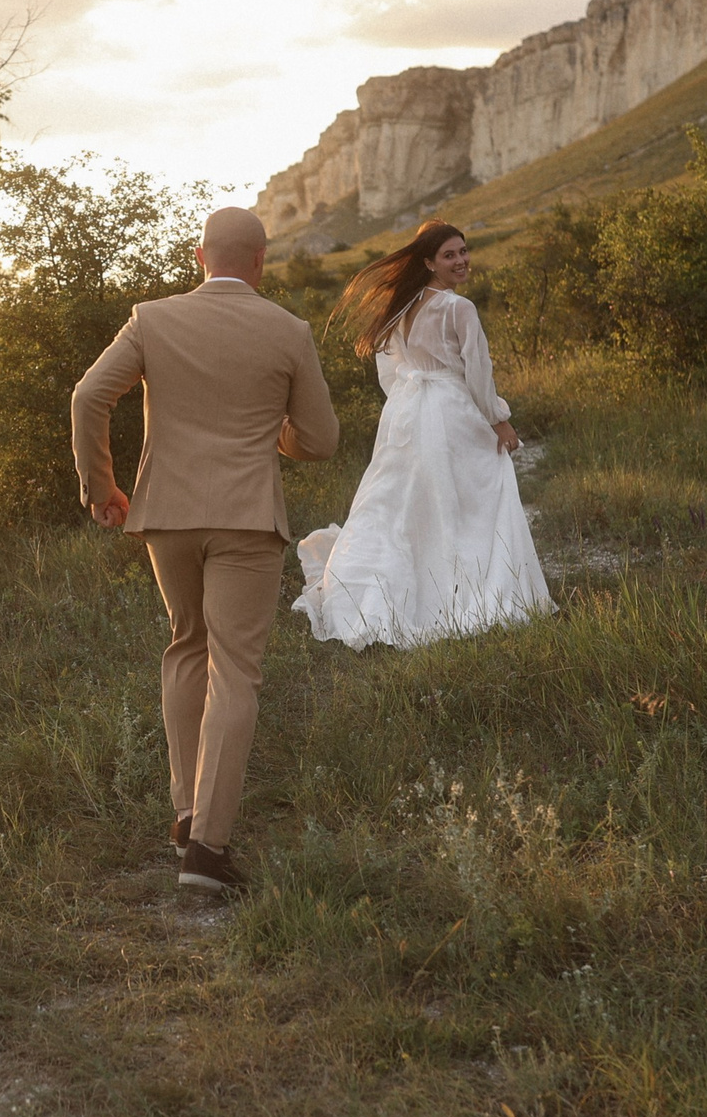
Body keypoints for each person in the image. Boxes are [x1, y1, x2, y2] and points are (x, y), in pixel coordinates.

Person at [71, 207, 340, 895]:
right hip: (246, 519)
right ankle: (208, 852)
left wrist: (102, 488)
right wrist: (273, 435)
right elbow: (321, 439)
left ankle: (188, 811)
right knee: (237, 672)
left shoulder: (151, 318)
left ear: (199, 256)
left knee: (188, 644)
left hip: (167, 513)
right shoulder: (288, 330)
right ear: (260, 261)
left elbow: (89, 394)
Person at [293, 221, 554, 649]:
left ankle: (418, 584)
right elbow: (477, 371)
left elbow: (389, 372)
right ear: (429, 262)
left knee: (411, 501)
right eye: (450, 255)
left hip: (410, 409)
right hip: (450, 407)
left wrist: (406, 403)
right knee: (473, 498)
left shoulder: (402, 306)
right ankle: (469, 590)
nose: (461, 260)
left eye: (464, 251)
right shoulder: (457, 308)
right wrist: (497, 418)